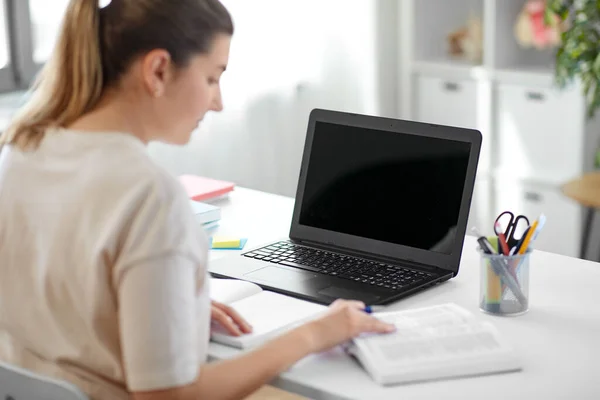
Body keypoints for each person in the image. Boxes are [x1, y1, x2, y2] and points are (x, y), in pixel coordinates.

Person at [0, 0, 396, 399]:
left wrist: (160, 311)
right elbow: (168, 397)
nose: (218, 102)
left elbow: (52, 290)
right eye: (211, 78)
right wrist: (313, 334)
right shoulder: (149, 196)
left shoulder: (20, 150)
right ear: (157, 71)